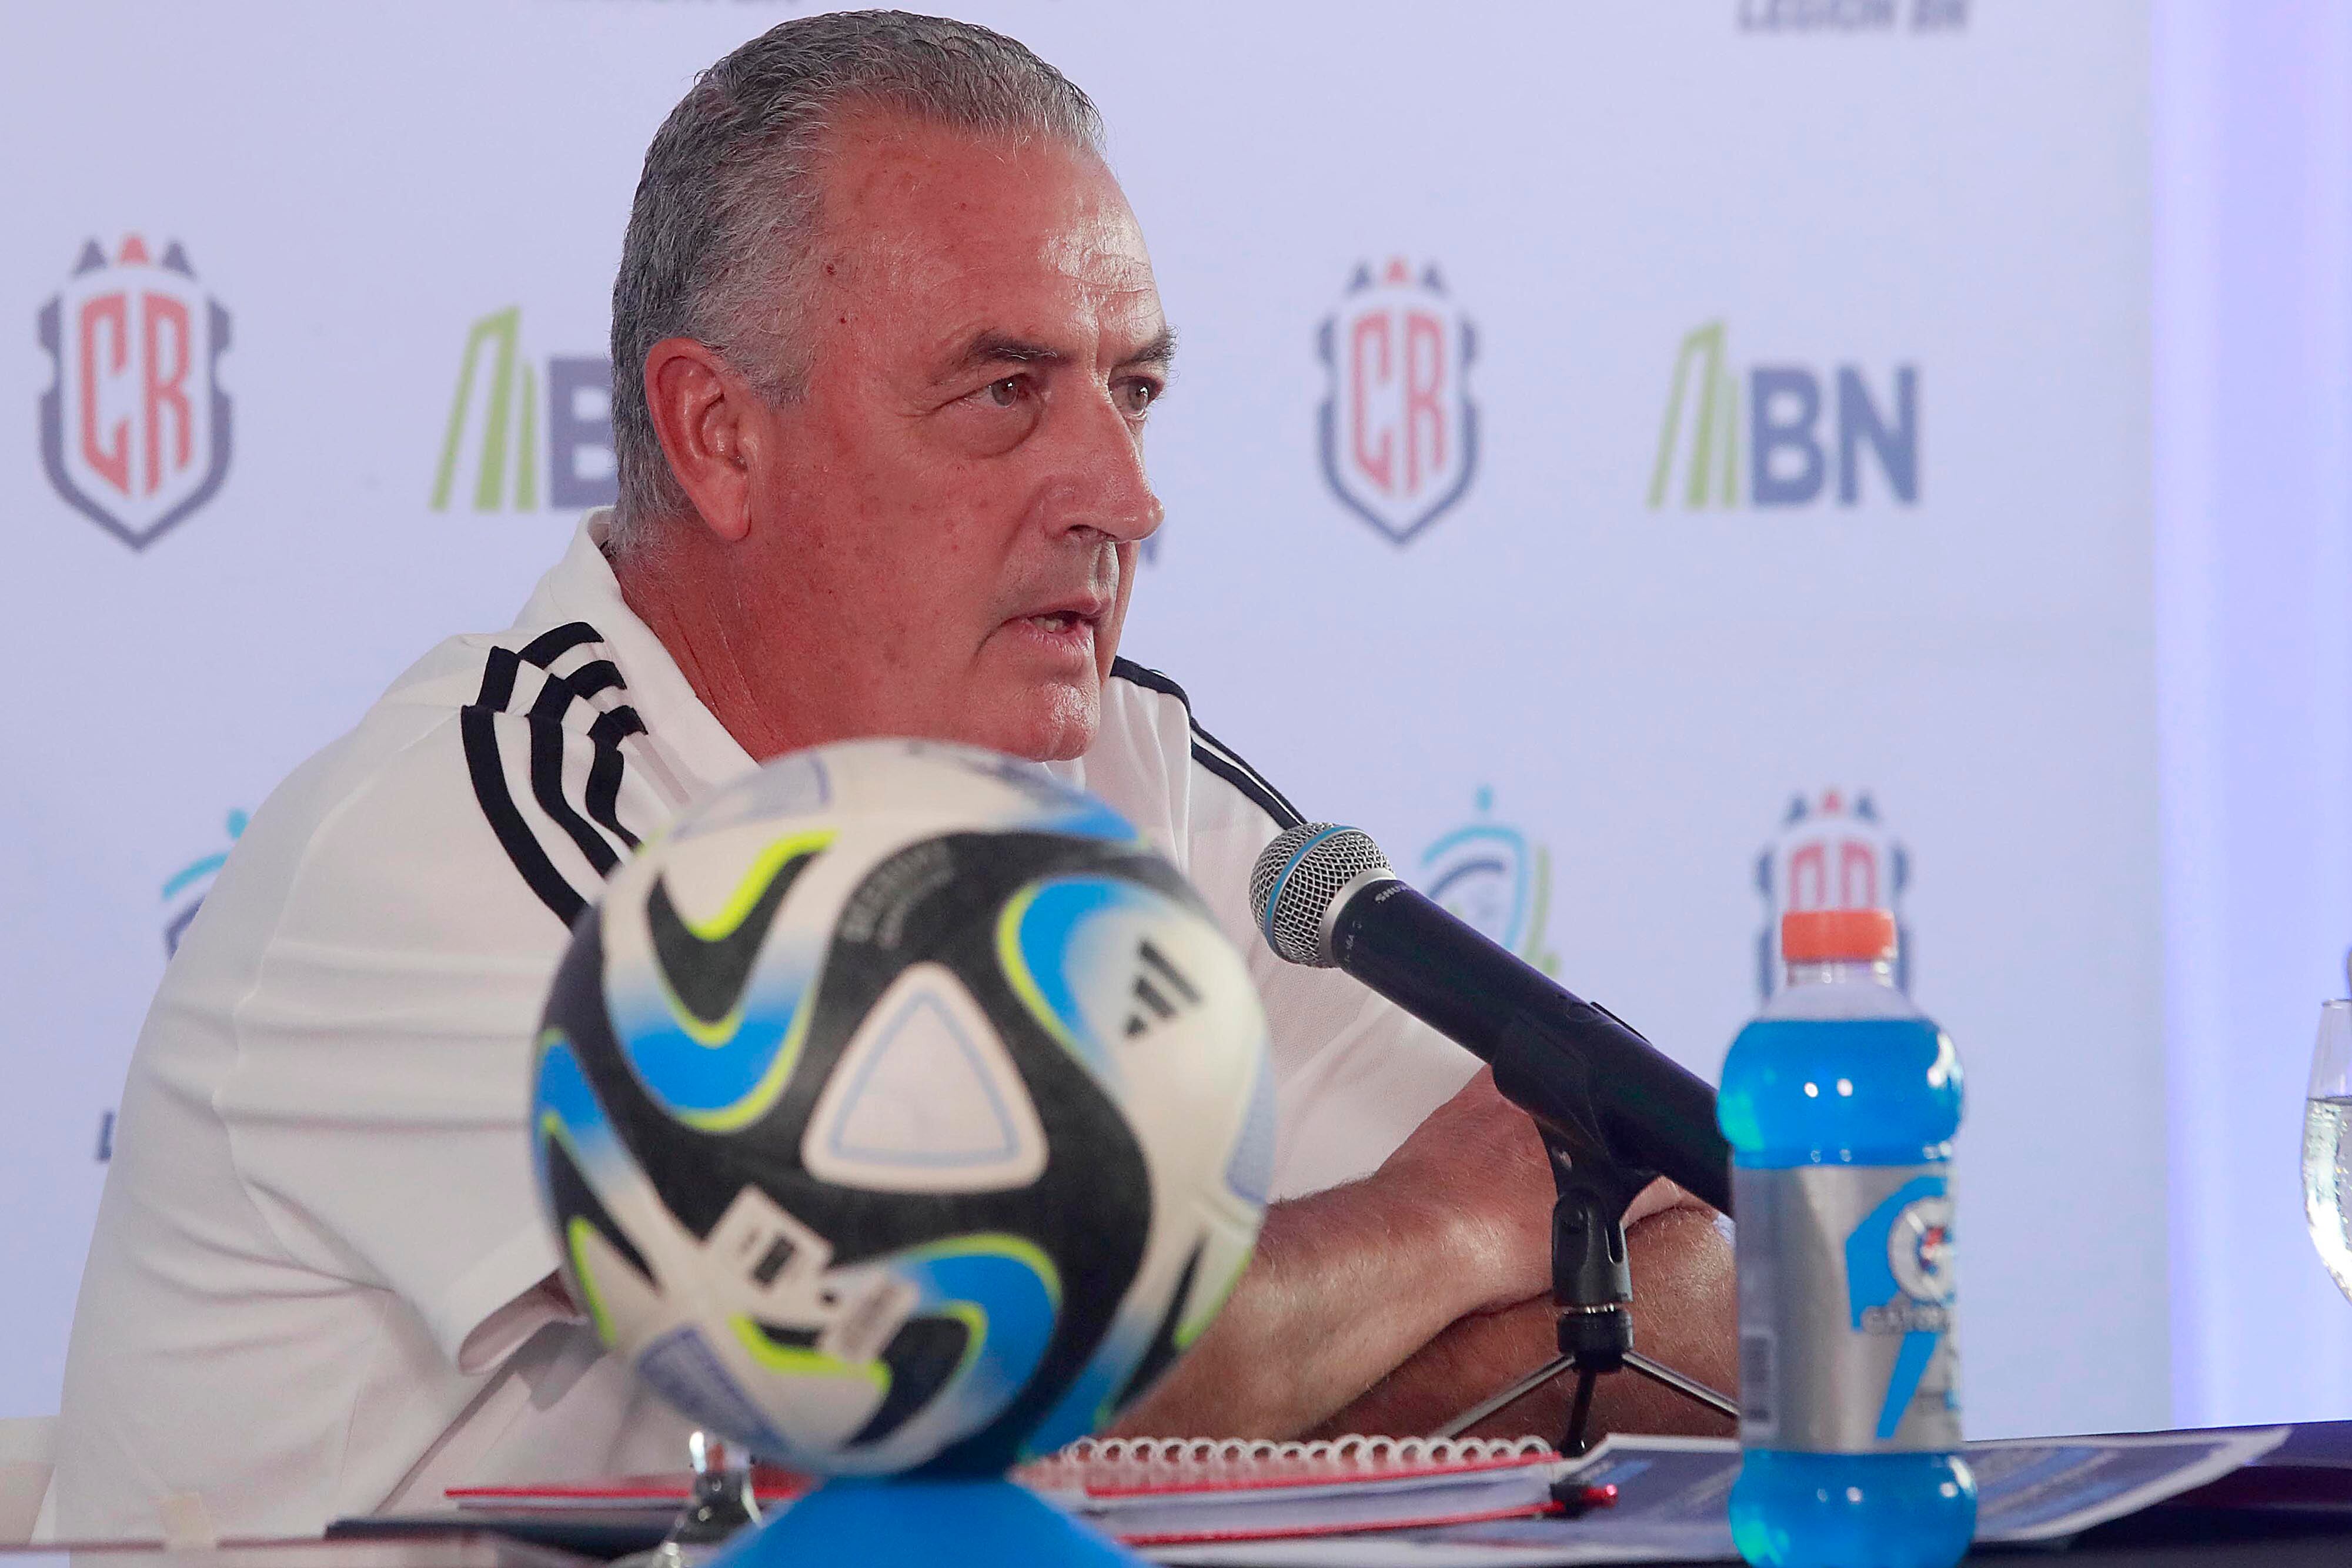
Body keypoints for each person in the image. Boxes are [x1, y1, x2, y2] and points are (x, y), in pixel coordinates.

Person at [48, 11, 1732, 1542]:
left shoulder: (1112, 760)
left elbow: (1678, 1278)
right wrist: (1438, 1239)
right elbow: (917, 1396)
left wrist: (1235, 1369)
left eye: (1136, 389)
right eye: (1004, 391)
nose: (1127, 494)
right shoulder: (462, 837)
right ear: (720, 435)